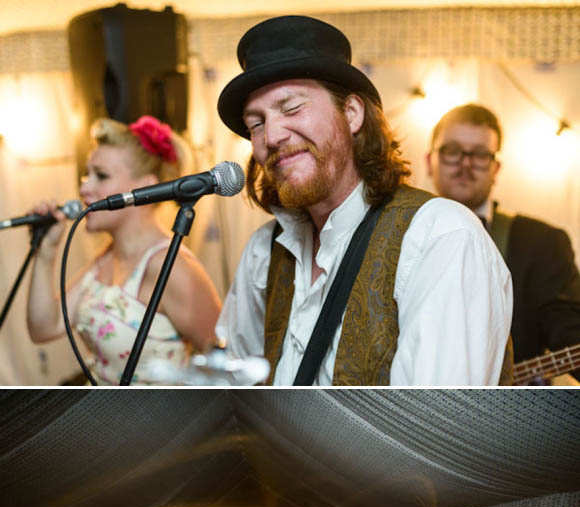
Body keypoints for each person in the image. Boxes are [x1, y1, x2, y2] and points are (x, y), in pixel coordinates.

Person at [215, 15, 512, 387]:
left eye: (291, 108)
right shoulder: (263, 251)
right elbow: (236, 397)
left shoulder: (441, 236)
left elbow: (435, 429)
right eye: (256, 123)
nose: (272, 135)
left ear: (352, 113)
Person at [26, 114, 222, 385]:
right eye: (86, 174)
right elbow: (44, 328)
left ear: (145, 188)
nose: (84, 187)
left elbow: (223, 367)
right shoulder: (105, 259)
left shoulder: (173, 267)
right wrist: (46, 253)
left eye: (101, 175)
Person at [427, 103, 580, 381]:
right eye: (451, 151)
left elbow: (568, 332)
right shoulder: (396, 234)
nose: (465, 163)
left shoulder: (543, 243)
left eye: (481, 155)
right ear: (429, 161)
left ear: (496, 168)